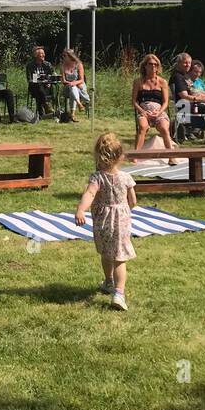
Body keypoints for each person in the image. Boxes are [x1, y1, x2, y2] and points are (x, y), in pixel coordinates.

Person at [74, 131, 138, 312]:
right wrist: (125, 210)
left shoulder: (97, 177)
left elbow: (90, 194)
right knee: (120, 257)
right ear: (120, 156)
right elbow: (133, 201)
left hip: (103, 222)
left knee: (105, 251)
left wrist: (81, 209)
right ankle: (119, 293)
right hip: (121, 222)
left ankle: (109, 281)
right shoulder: (126, 178)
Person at [132, 53, 181, 164]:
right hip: (144, 110)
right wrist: (142, 111)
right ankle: (135, 155)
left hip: (159, 111)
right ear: (145, 66)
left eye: (155, 64)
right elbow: (134, 101)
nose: (153, 67)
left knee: (164, 128)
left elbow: (165, 102)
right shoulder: (138, 82)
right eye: (150, 64)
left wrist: (159, 112)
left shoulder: (162, 82)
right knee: (142, 127)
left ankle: (171, 156)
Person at [60, 48, 89, 121]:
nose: (63, 57)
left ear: (70, 56)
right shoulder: (63, 66)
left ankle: (72, 114)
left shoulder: (79, 64)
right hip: (67, 87)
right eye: (63, 56)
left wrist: (74, 83)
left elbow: (82, 80)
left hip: (79, 85)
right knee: (71, 87)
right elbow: (63, 81)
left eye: (65, 56)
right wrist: (70, 83)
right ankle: (79, 104)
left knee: (73, 88)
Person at [26, 45, 55, 116]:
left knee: (39, 91)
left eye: (43, 53)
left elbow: (53, 76)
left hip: (46, 87)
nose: (43, 55)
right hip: (34, 87)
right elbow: (29, 79)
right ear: (36, 55)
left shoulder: (48, 65)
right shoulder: (30, 65)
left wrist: (49, 83)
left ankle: (40, 112)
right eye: (41, 53)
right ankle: (45, 105)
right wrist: (38, 81)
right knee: (38, 87)